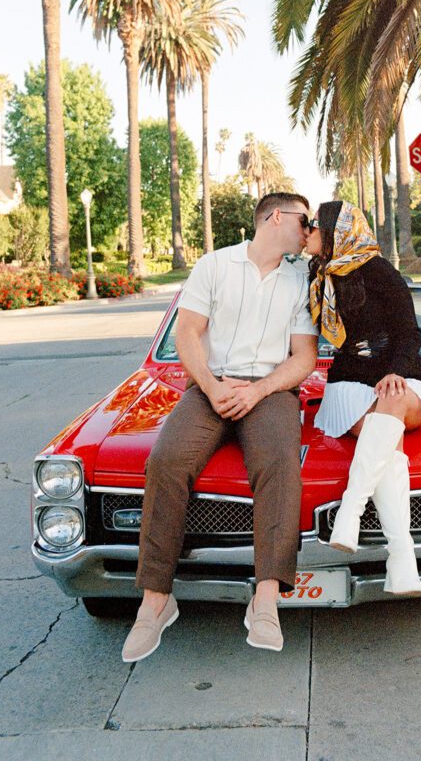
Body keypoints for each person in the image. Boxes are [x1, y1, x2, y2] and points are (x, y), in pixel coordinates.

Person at [121, 192, 318, 661]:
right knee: (166, 461)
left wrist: (258, 390)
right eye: (303, 220)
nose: (308, 230)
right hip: (210, 386)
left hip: (269, 391)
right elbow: (186, 333)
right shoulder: (214, 266)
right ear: (275, 217)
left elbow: (304, 357)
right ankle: (155, 602)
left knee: (278, 464)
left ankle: (265, 599)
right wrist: (211, 387)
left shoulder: (301, 279)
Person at [306, 201, 421, 596]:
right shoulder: (316, 276)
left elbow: (410, 334)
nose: (306, 232)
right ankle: (402, 559)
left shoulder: (380, 271)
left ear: (336, 231)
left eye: (313, 226)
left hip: (401, 375)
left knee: (390, 401)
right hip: (349, 382)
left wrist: (396, 371)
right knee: (385, 436)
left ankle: (350, 512)